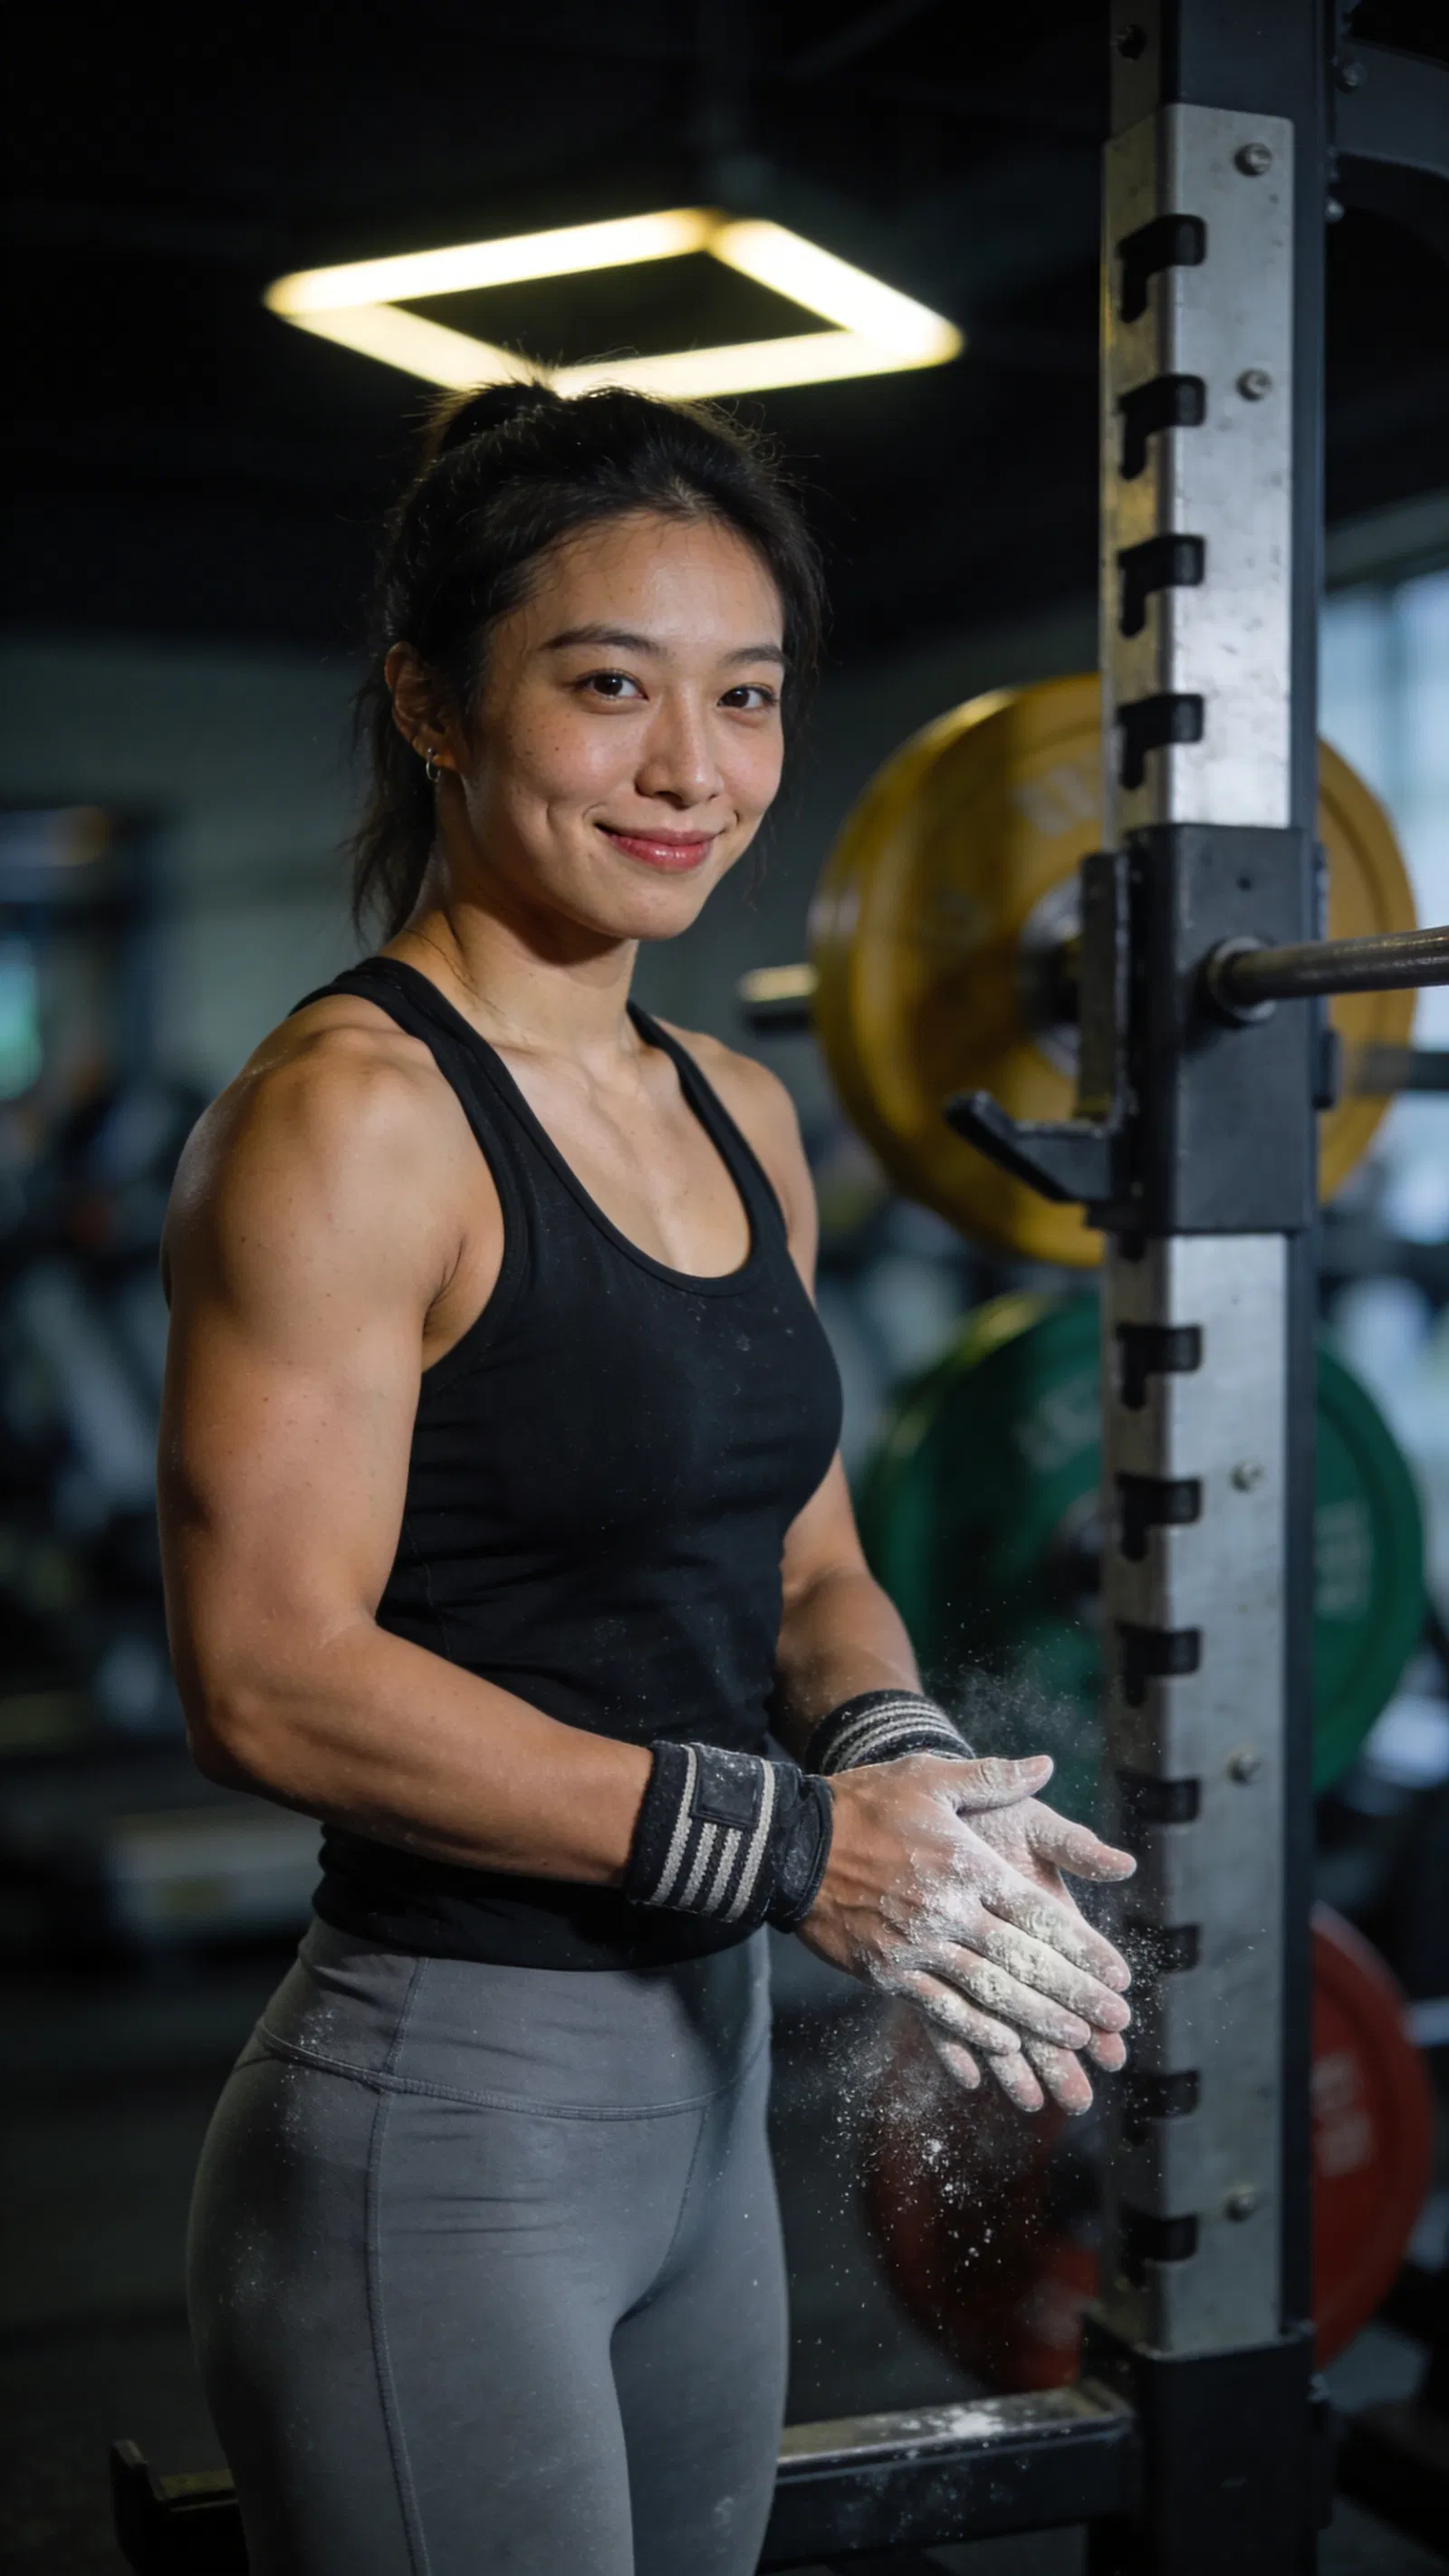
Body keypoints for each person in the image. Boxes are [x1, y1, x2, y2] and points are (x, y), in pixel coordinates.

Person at [159, 381, 1135, 2576]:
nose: (692, 772)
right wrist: (797, 1842)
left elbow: (802, 1565)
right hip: (446, 2118)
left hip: (696, 2115)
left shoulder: (734, 1106)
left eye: (747, 697)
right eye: (609, 690)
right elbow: (265, 1676)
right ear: (430, 699)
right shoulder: (351, 1118)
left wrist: (897, 1766)